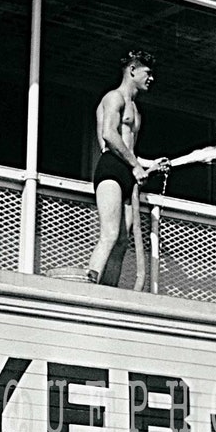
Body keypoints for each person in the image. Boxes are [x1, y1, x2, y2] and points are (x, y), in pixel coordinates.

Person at [87, 50, 168, 286]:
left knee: (122, 241)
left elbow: (129, 148)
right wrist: (135, 165)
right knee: (110, 234)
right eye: (148, 72)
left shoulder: (136, 110)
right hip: (111, 168)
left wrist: (148, 165)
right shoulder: (114, 98)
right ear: (133, 70)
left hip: (127, 173)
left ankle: (109, 290)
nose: (151, 79)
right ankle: (90, 285)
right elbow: (109, 135)